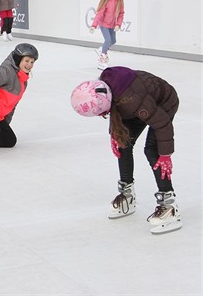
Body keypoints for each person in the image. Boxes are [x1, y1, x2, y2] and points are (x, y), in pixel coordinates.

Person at [70, 66, 182, 235]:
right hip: (139, 105)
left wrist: (165, 154)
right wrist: (114, 134)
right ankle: (127, 196)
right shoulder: (107, 90)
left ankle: (169, 205)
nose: (102, 116)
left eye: (101, 113)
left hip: (163, 104)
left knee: (152, 151)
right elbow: (114, 109)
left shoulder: (132, 100)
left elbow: (162, 123)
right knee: (122, 143)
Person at [89, 0, 125, 70]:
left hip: (112, 25)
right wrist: (94, 25)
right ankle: (102, 59)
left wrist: (118, 24)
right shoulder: (106, 0)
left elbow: (121, 13)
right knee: (108, 40)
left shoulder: (120, 0)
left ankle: (101, 49)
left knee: (113, 41)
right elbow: (99, 14)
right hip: (104, 24)